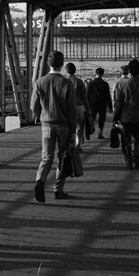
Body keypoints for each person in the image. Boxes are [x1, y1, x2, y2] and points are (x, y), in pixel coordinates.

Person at [31, 51, 78, 202]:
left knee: (46, 158)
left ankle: (40, 181)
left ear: (48, 64)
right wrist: (73, 130)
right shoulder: (67, 83)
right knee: (62, 158)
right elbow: (72, 110)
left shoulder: (39, 82)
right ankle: (58, 190)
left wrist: (42, 116)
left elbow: (33, 107)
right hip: (64, 126)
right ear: (62, 64)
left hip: (46, 125)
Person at [113, 59, 139, 170]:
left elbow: (118, 104)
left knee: (125, 141)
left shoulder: (122, 84)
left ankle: (128, 161)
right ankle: (137, 155)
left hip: (125, 118)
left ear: (129, 71)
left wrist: (115, 118)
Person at [65, 63, 87, 150]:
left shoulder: (64, 81)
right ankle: (78, 145)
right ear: (75, 70)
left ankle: (70, 144)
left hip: (67, 107)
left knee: (68, 126)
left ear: (66, 70)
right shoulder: (80, 81)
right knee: (79, 126)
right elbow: (84, 96)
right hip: (79, 106)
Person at [86, 67, 112, 139]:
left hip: (92, 105)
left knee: (91, 119)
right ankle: (100, 134)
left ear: (95, 73)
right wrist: (110, 107)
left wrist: (86, 105)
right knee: (102, 119)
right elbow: (108, 96)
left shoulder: (90, 83)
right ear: (102, 74)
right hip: (102, 104)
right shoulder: (105, 84)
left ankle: (88, 132)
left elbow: (87, 95)